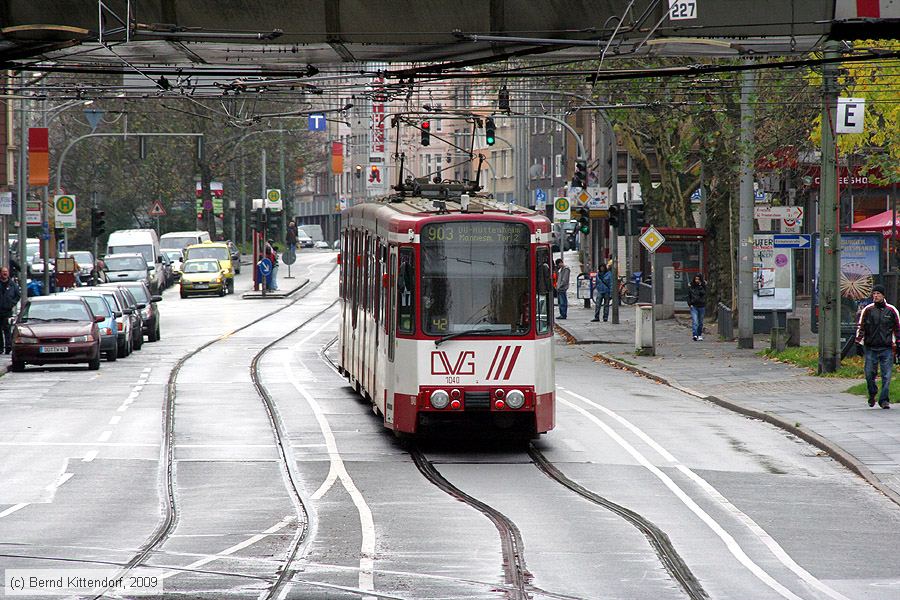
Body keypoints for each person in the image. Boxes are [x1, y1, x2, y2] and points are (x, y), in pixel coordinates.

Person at [855, 284, 900, 409]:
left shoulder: (891, 310)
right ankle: (872, 392)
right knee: (869, 373)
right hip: (871, 347)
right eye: (874, 294)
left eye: (878, 294)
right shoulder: (868, 310)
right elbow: (861, 326)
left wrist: (898, 344)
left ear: (883, 295)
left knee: (887, 375)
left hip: (887, 347)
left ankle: (884, 399)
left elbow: (897, 328)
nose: (875, 296)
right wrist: (858, 342)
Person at [0, 267, 21, 354]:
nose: (5, 273)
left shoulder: (12, 284)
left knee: (7, 329)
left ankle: (8, 347)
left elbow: (17, 295)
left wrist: (12, 303)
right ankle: (0, 348)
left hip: (7, 311)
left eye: (6, 272)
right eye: (3, 272)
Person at [687, 274, 707, 341]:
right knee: (695, 321)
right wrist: (690, 304)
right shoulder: (691, 287)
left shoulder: (703, 286)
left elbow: (703, 293)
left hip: (701, 306)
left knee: (700, 322)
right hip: (694, 306)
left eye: (698, 279)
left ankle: (699, 335)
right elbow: (689, 296)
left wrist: (700, 286)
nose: (697, 281)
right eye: (696, 279)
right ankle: (695, 335)